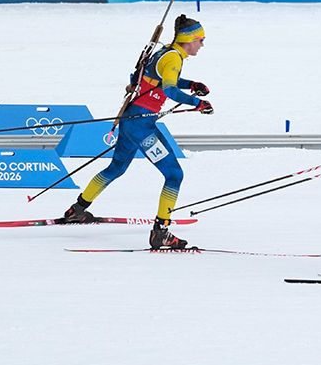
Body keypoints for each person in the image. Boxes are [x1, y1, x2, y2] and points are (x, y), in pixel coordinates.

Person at [60, 14, 213, 251]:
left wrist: (190, 84)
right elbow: (170, 90)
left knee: (116, 168)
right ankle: (160, 232)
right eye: (200, 39)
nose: (202, 44)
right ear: (188, 39)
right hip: (142, 127)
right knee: (174, 175)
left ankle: (77, 210)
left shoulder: (164, 52)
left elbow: (148, 78)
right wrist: (197, 103)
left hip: (130, 121)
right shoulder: (173, 59)